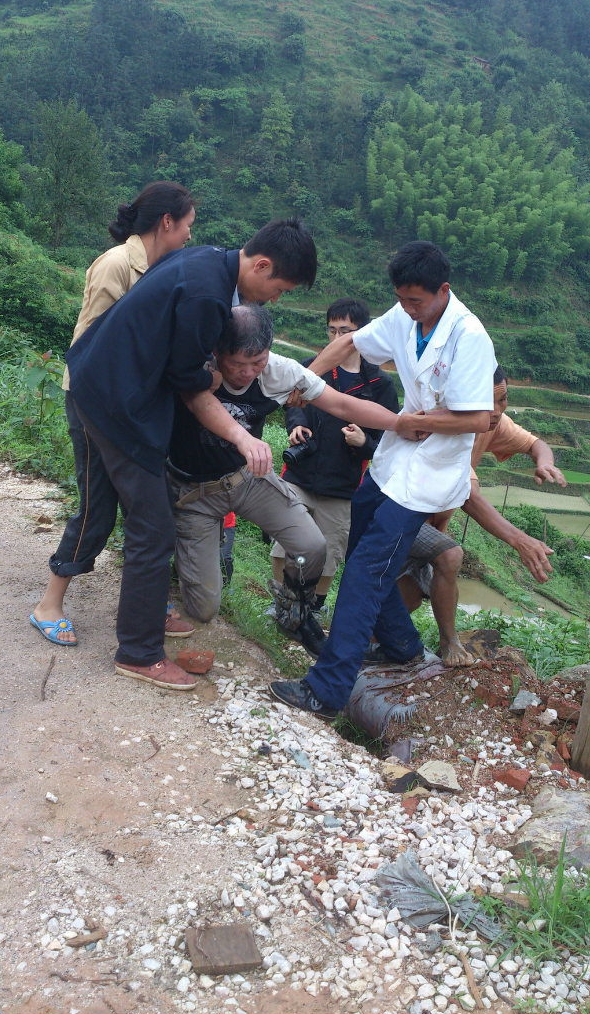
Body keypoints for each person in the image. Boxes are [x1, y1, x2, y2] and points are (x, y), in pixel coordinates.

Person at [64, 217, 320, 692]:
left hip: (101, 383)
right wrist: (215, 385)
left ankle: (147, 618)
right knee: (152, 528)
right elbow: (188, 380)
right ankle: (139, 652)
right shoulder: (209, 297)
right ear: (262, 265)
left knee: (143, 518)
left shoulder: (207, 260)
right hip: (118, 403)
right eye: (279, 289)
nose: (274, 299)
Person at [270, 239, 496, 719]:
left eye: (417, 301)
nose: (409, 309)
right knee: (358, 545)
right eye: (402, 299)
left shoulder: (469, 336)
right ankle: (401, 645)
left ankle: (327, 690)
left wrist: (416, 422)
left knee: (367, 569)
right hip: (395, 458)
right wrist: (306, 380)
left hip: (430, 473)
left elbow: (478, 418)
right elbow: (350, 343)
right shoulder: (405, 315)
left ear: (443, 291)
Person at [167, 304, 417, 651]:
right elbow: (197, 402)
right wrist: (244, 439)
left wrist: (401, 423)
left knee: (312, 546)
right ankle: (181, 565)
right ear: (218, 351)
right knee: (204, 608)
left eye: (258, 362)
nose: (247, 373)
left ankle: (294, 612)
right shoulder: (198, 366)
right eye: (238, 364)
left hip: (246, 479)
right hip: (194, 492)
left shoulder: (279, 371)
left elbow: (341, 404)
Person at [30, 182, 196, 648]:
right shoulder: (116, 264)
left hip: (129, 409)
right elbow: (95, 346)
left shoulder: (161, 268)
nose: (189, 235)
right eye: (187, 225)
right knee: (97, 506)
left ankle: (149, 603)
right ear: (167, 222)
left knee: (146, 507)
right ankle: (49, 604)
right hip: (94, 403)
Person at [381, 365, 566, 664]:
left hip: (429, 523)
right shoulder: (444, 427)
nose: (496, 411)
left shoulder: (492, 422)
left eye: (502, 399)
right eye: (487, 402)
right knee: (450, 556)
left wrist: (544, 461)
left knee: (411, 596)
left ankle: (373, 645)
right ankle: (449, 643)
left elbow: (535, 443)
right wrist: (520, 540)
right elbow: (469, 497)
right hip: (398, 512)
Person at [270, 297, 399, 612]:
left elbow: (387, 443)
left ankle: (313, 609)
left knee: (330, 551)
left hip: (342, 486)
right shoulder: (313, 366)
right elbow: (292, 404)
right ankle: (281, 603)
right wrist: (297, 425)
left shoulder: (380, 385)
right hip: (300, 474)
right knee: (282, 545)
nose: (337, 338)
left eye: (345, 331)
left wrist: (363, 442)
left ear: (363, 333)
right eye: (332, 330)